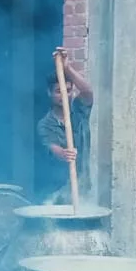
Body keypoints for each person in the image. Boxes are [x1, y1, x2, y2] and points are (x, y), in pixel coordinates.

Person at [35, 48, 94, 203]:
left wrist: (67, 68)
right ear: (49, 93)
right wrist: (64, 153)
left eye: (68, 91)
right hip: (54, 190)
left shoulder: (79, 110)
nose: (64, 95)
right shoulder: (45, 124)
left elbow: (88, 92)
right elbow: (53, 148)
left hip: (82, 185)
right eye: (58, 91)